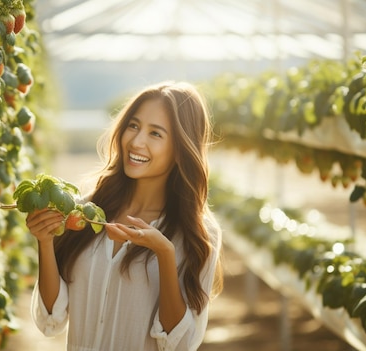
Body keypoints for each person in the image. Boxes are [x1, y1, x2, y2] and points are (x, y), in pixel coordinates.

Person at [25, 81, 223, 351]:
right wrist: (45, 242)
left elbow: (178, 343)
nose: (136, 141)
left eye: (155, 134)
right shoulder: (85, 213)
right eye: (133, 125)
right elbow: (52, 318)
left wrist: (164, 253)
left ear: (180, 149)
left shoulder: (198, 234)